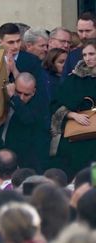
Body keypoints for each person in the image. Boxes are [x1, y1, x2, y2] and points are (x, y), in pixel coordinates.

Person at [51, 39, 96, 178]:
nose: (88, 58)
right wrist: (72, 115)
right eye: (84, 55)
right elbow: (55, 104)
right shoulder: (75, 79)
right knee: (82, 174)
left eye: (92, 54)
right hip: (80, 136)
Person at [62, 12, 96, 79]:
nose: (84, 36)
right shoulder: (73, 55)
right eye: (80, 31)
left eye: (88, 31)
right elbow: (64, 84)